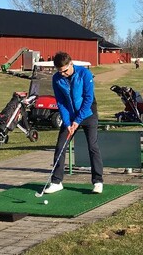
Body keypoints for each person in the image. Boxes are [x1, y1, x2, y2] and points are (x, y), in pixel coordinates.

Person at [45, 51, 103, 194]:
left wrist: (78, 120)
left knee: (92, 146)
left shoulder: (85, 74)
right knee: (60, 146)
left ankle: (98, 181)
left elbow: (88, 99)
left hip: (88, 113)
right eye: (60, 71)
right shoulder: (56, 78)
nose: (63, 74)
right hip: (70, 116)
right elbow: (61, 102)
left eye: (65, 70)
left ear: (71, 64)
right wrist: (67, 122)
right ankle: (56, 181)